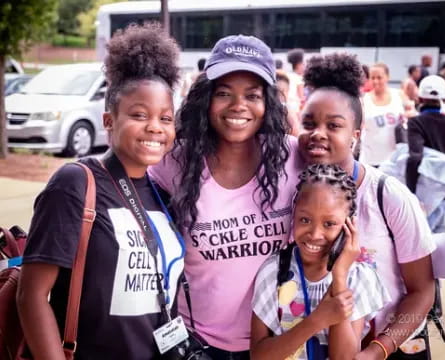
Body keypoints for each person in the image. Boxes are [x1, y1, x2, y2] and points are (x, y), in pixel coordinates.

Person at [17, 22, 184, 359]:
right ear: (109, 120)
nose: (155, 126)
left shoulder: (162, 195)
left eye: (166, 118)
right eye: (139, 114)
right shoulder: (76, 183)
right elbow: (31, 295)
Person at [148, 34, 303, 359]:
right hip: (194, 342)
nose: (238, 106)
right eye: (224, 93)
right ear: (206, 98)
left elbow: (348, 176)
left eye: (252, 95)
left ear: (269, 103)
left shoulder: (292, 157)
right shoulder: (174, 161)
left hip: (275, 341)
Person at [299, 53, 436, 359]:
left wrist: (378, 350)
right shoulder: (294, 192)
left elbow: (422, 290)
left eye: (334, 125)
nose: (318, 133)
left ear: (355, 136)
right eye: (309, 123)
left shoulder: (389, 196)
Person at [251, 164, 390, 360]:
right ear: (294, 214)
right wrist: (317, 320)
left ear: (350, 225)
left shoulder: (358, 277)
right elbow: (258, 356)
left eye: (329, 224)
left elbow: (344, 358)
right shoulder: (274, 271)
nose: (315, 234)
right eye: (305, 220)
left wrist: (339, 276)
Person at [406, 75, 445, 233]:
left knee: (422, 242)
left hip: (424, 192)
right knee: (441, 237)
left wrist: (410, 192)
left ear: (420, 97)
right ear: (444, 98)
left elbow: (415, 157)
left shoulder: (415, 122)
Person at [359, 63, 408, 166]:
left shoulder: (399, 94)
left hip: (395, 160)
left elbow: (412, 112)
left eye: (379, 77)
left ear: (387, 77)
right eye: (372, 78)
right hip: (370, 160)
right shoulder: (364, 99)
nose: (376, 81)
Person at [277, 71, 301, 136]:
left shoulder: (288, 109)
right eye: (278, 92)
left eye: (284, 91)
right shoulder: (287, 109)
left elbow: (295, 132)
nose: (281, 95)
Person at [287, 48, 306, 115]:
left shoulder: (287, 75)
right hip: (295, 109)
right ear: (298, 65)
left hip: (287, 107)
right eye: (303, 64)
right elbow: (301, 98)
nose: (304, 67)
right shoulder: (299, 79)